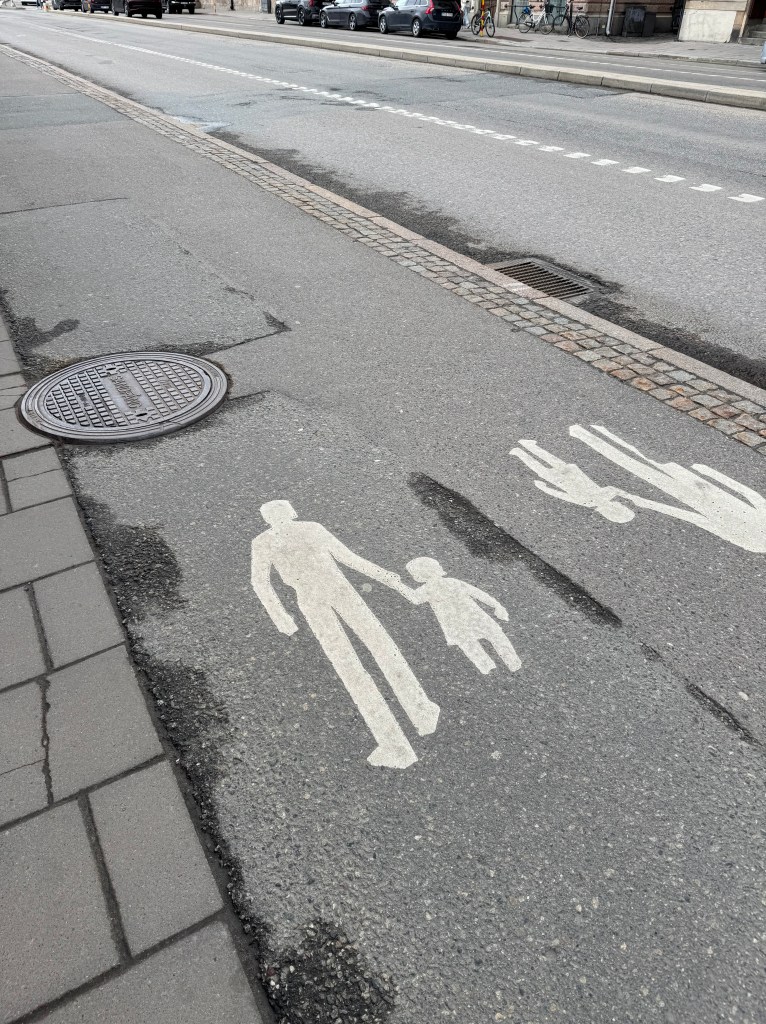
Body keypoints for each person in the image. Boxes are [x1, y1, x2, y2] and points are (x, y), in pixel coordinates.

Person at [250, 500, 440, 769]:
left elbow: (261, 582)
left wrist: (281, 617)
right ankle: (420, 712)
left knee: (351, 663)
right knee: (378, 649)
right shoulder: (306, 529)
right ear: (289, 512)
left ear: (270, 518)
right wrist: (383, 575)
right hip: (335, 591)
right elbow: (347, 557)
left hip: (317, 597)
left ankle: (396, 740)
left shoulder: (267, 540)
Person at [404, 557, 521, 676]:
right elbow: (477, 593)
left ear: (418, 576)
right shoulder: (452, 582)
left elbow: (414, 598)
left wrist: (398, 585)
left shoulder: (426, 590)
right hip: (475, 616)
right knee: (495, 636)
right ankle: (512, 663)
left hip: (454, 623)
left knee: (471, 646)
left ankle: (489, 669)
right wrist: (496, 605)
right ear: (436, 569)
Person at [510, 438, 636, 523]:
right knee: (541, 469)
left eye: (623, 507)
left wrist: (628, 496)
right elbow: (562, 495)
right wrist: (544, 488)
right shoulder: (588, 503)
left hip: (574, 476)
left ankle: (528, 446)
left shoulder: (606, 495)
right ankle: (520, 452)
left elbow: (612, 489)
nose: (622, 504)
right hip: (562, 482)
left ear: (617, 507)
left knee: (551, 460)